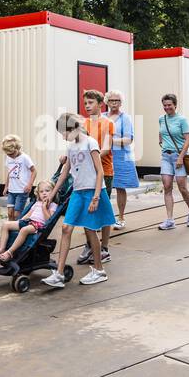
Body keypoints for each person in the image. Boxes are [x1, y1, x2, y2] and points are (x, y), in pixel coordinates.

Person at [44, 113, 114, 287]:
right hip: (77, 192)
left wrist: (96, 197)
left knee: (90, 231)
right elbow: (65, 172)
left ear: (74, 128)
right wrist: (52, 194)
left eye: (64, 133)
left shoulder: (90, 142)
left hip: (92, 191)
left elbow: (100, 172)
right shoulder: (71, 148)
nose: (64, 137)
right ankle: (59, 274)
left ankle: (99, 271)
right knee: (66, 228)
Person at [77, 90, 116, 264]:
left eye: (90, 103)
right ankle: (90, 245)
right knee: (88, 209)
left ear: (100, 104)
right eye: (85, 103)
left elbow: (106, 149)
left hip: (104, 171)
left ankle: (104, 248)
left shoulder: (108, 123)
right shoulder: (83, 123)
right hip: (86, 173)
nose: (87, 106)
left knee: (104, 209)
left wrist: (90, 158)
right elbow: (77, 144)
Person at [0, 181, 55, 264]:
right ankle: (2, 248)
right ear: (38, 194)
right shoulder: (37, 203)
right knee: (6, 225)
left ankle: (10, 252)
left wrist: (44, 208)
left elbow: (49, 220)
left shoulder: (53, 205)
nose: (44, 193)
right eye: (41, 192)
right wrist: (19, 222)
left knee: (24, 230)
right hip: (28, 222)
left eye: (47, 191)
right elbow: (28, 214)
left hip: (38, 225)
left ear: (53, 192)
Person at [157, 93, 189, 229]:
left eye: (169, 105)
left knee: (182, 188)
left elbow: (188, 139)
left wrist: (180, 157)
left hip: (178, 157)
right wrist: (161, 142)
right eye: (165, 105)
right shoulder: (161, 119)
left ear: (175, 105)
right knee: (167, 186)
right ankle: (170, 220)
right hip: (166, 157)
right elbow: (161, 133)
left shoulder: (182, 120)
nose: (167, 107)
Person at [105, 90, 137, 230]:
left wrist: (110, 141)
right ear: (106, 101)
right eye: (111, 100)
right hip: (104, 155)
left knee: (119, 187)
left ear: (121, 102)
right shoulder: (102, 117)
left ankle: (121, 217)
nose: (114, 103)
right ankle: (103, 219)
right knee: (103, 188)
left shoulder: (125, 118)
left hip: (121, 156)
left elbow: (129, 139)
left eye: (117, 101)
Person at [1, 135, 35, 221]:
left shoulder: (25, 158)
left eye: (12, 154)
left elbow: (34, 171)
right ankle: (10, 230)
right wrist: (6, 186)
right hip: (12, 191)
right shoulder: (8, 158)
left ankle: (17, 231)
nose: (10, 156)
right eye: (8, 154)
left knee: (17, 215)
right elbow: (9, 173)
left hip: (22, 191)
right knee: (10, 213)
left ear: (18, 148)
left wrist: (30, 185)